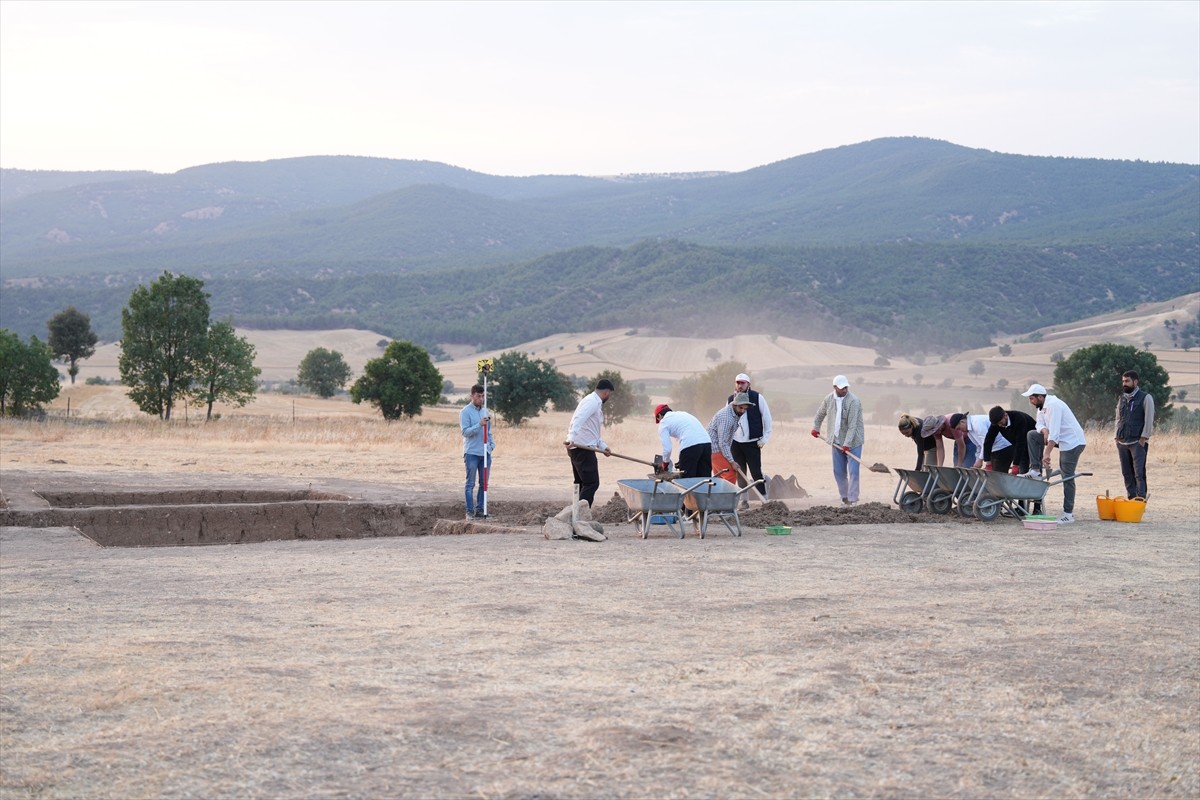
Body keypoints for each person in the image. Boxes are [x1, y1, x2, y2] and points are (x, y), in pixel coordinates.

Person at [1021, 383, 1087, 524]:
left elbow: (1055, 433)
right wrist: (1044, 430)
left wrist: (1047, 453)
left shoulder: (1054, 405)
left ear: (1040, 396)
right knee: (1032, 434)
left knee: (1067, 475)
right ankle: (1035, 470)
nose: (1030, 402)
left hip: (1073, 442)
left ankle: (1068, 514)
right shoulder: (1041, 407)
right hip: (1061, 440)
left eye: (1032, 398)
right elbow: (1039, 424)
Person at [810, 375, 864, 505]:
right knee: (838, 471)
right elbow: (820, 414)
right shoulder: (828, 399)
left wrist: (847, 444)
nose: (844, 390)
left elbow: (852, 425)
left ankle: (853, 499)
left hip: (854, 442)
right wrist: (815, 427)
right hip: (836, 441)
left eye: (846, 387)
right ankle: (844, 498)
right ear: (835, 387)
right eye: (841, 388)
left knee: (854, 472)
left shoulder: (854, 401)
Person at [564, 378, 614, 506]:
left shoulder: (593, 402)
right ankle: (581, 515)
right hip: (582, 449)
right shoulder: (591, 402)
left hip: (581, 447)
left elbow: (592, 431)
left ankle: (576, 514)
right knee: (592, 483)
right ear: (607, 392)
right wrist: (571, 438)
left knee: (581, 483)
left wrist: (603, 447)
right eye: (610, 394)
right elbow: (578, 419)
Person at [728, 373, 772, 500]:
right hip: (735, 442)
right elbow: (725, 419)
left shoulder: (758, 398)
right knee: (740, 472)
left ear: (748, 384)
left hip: (753, 442)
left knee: (756, 472)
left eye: (742, 383)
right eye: (738, 383)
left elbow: (767, 419)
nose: (740, 385)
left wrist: (764, 439)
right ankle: (744, 500)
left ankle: (764, 498)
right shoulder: (731, 399)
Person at [1115, 370, 1155, 499]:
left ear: (1135, 382)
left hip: (1137, 442)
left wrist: (1144, 438)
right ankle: (1131, 498)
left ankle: (1140, 499)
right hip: (1122, 442)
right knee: (1126, 473)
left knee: (1139, 473)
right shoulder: (1121, 398)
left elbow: (1149, 418)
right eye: (1123, 381)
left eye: (1127, 381)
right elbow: (1117, 418)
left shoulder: (1145, 397)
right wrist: (1116, 436)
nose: (1124, 384)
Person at [459, 384, 495, 520]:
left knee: (484, 484)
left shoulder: (486, 412)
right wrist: (479, 425)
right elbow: (465, 432)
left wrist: (491, 446)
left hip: (485, 453)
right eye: (478, 396)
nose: (481, 399)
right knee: (470, 484)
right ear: (472, 396)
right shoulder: (465, 412)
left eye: (483, 396)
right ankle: (469, 512)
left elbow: (489, 432)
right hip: (472, 453)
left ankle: (480, 510)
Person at [654, 404, 712, 479]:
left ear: (659, 415)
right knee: (704, 479)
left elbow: (667, 449)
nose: (659, 421)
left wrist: (665, 464)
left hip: (691, 445)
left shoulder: (663, 422)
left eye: (658, 419)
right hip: (707, 444)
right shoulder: (683, 414)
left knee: (687, 480)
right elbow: (687, 436)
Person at [707, 393, 752, 485]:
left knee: (720, 475)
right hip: (715, 448)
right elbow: (723, 443)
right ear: (735, 405)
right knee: (730, 473)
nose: (743, 411)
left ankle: (717, 497)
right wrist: (732, 462)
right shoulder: (726, 418)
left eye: (745, 409)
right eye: (741, 408)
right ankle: (726, 497)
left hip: (715, 448)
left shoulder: (734, 413)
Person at [984, 406, 1037, 474]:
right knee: (1023, 472)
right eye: (997, 424)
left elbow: (1020, 443)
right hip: (1019, 445)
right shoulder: (997, 423)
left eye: (1000, 423)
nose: (999, 425)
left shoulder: (1019, 419)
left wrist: (1015, 464)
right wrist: (988, 461)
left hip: (1033, 443)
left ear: (1005, 415)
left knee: (1034, 469)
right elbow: (988, 440)